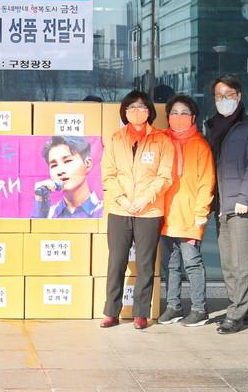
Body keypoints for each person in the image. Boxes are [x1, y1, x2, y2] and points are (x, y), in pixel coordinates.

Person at [101, 90, 174, 329]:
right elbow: (108, 174)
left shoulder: (162, 140)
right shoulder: (116, 138)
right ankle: (111, 311)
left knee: (145, 263)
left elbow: (165, 176)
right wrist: (123, 200)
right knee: (116, 262)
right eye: (131, 107)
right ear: (124, 112)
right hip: (120, 210)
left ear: (149, 111)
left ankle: (141, 313)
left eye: (141, 107)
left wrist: (144, 200)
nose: (136, 111)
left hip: (149, 211)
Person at [206, 75, 248, 334]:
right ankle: (243, 309)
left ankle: (235, 314)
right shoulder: (213, 126)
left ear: (239, 96)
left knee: (241, 262)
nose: (224, 100)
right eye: (219, 96)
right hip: (222, 203)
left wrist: (245, 197)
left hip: (242, 204)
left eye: (229, 95)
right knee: (228, 263)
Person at [158, 95, 215, 327]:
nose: (178, 117)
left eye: (184, 113)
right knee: (170, 265)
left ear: (193, 117)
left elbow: (206, 181)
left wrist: (201, 212)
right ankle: (173, 306)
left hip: (190, 215)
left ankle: (199, 309)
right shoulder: (161, 141)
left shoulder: (200, 145)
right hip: (165, 215)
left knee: (191, 263)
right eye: (174, 112)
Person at [32, 136, 102, 218]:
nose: (60, 170)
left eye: (67, 161)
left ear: (87, 163)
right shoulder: (48, 215)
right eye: (54, 165)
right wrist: (40, 208)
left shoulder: (103, 211)